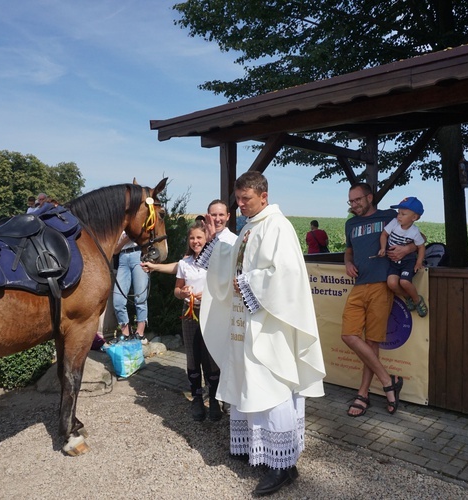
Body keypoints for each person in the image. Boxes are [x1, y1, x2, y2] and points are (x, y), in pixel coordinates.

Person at [197, 171, 326, 496]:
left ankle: (283, 466)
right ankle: (257, 450)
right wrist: (217, 242)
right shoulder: (250, 227)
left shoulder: (277, 225)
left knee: (273, 387)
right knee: (249, 382)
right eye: (237, 200)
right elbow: (234, 261)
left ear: (263, 197)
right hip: (247, 323)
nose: (239, 206)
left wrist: (247, 282)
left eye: (245, 200)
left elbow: (285, 274)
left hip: (270, 326)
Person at [341, 183, 413, 419]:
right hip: (359, 284)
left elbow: (418, 237)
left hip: (382, 284)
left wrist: (404, 251)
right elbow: (349, 250)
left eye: (358, 200)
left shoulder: (390, 217)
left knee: (372, 342)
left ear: (369, 197)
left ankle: (363, 394)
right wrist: (348, 262)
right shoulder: (350, 223)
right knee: (349, 335)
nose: (354, 205)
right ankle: (388, 380)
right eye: (351, 201)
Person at [175, 221, 222, 422]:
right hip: (189, 314)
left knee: (211, 358)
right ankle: (196, 398)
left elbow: (222, 289)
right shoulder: (183, 263)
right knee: (193, 357)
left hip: (210, 313)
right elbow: (177, 290)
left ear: (206, 240)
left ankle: (213, 400)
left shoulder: (215, 262)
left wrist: (210, 294)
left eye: (199, 238)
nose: (196, 241)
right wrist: (182, 292)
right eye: (192, 238)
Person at [378, 196, 428, 317]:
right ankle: (407, 297)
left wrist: (418, 262)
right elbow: (384, 235)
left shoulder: (415, 232)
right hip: (394, 261)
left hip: (407, 261)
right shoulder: (394, 223)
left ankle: (417, 300)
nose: (399, 216)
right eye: (398, 213)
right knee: (392, 283)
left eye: (403, 214)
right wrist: (383, 248)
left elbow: (421, 246)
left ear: (414, 218)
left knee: (405, 282)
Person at [113, 230, 149, 344]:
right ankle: (125, 332)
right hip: (122, 257)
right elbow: (115, 250)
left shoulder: (136, 220)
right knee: (118, 299)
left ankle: (140, 333)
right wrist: (124, 241)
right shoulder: (118, 224)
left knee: (140, 296)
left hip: (138, 255)